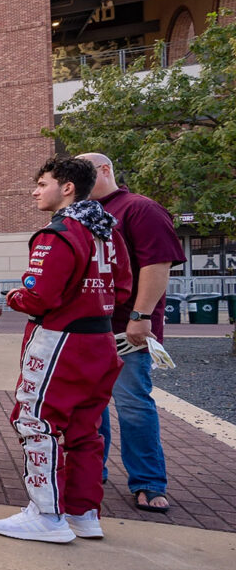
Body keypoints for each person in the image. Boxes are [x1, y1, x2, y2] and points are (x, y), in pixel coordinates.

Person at [0, 156, 131, 543]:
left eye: (42, 182)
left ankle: (46, 514)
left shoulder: (59, 232)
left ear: (67, 187)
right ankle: (84, 513)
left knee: (35, 421)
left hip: (61, 340)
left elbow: (40, 297)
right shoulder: (106, 230)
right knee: (86, 430)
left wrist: (15, 296)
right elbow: (122, 290)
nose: (35, 190)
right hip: (100, 338)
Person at [79, 152, 187, 514]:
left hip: (128, 329)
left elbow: (158, 265)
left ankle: (148, 483)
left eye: (83, 173)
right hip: (90, 327)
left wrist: (141, 317)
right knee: (92, 407)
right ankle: (95, 470)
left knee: (133, 405)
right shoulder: (82, 213)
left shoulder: (140, 209)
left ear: (105, 170)